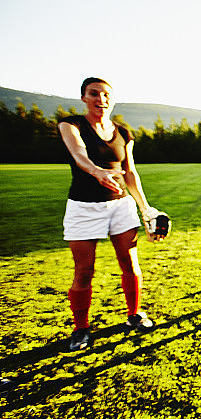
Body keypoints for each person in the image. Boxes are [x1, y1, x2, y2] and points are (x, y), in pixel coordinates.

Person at [58, 77, 165, 352]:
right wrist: (97, 172)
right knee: (84, 271)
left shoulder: (123, 133)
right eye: (94, 94)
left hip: (120, 206)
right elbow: (79, 154)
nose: (101, 99)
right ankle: (81, 329)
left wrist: (145, 208)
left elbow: (130, 172)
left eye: (106, 95)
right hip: (84, 206)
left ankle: (134, 314)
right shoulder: (71, 125)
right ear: (84, 97)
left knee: (130, 263)